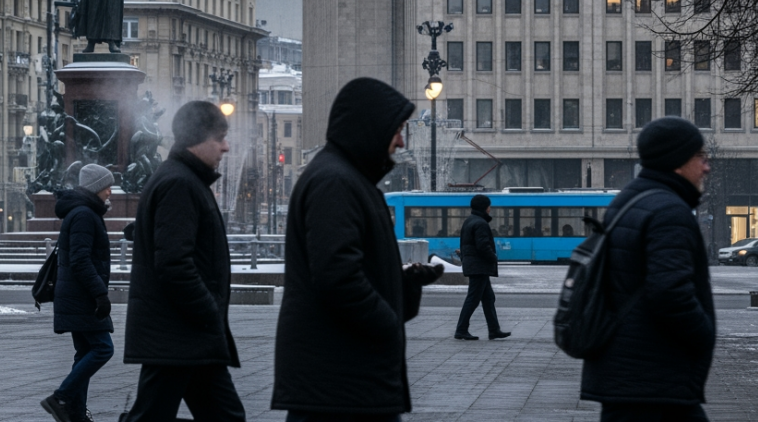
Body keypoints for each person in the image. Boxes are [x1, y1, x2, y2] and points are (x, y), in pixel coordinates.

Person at [271, 77, 444, 422]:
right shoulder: (335, 182)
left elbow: (351, 269)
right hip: (337, 382)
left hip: (344, 379)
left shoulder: (348, 179)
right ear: (371, 127)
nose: (400, 140)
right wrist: (387, 322)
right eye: (396, 129)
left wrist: (403, 286)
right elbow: (337, 276)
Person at [581, 116, 715, 421]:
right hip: (655, 379)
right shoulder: (669, 211)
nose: (706, 166)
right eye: (700, 157)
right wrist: (703, 334)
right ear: (677, 160)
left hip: (629, 375)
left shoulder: (630, 200)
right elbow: (669, 292)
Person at [121, 101, 246, 422]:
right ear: (197, 138)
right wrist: (208, 311)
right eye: (220, 138)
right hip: (180, 336)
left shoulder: (183, 179)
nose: (226, 146)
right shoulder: (180, 183)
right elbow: (174, 264)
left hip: (185, 337)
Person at [41, 164, 116, 422]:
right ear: (96, 187)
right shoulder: (84, 214)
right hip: (82, 297)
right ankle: (61, 398)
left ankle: (74, 413)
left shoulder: (82, 212)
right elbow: (81, 259)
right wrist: (100, 294)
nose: (110, 191)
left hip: (77, 295)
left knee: (85, 352)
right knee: (103, 349)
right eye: (107, 186)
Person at [454, 194, 510, 341]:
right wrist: (493, 257)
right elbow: (483, 246)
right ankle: (461, 329)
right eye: (489, 206)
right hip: (479, 266)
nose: (490, 209)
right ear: (484, 207)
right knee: (473, 298)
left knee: (488, 298)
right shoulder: (480, 223)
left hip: (475, 265)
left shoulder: (469, 221)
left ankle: (494, 330)